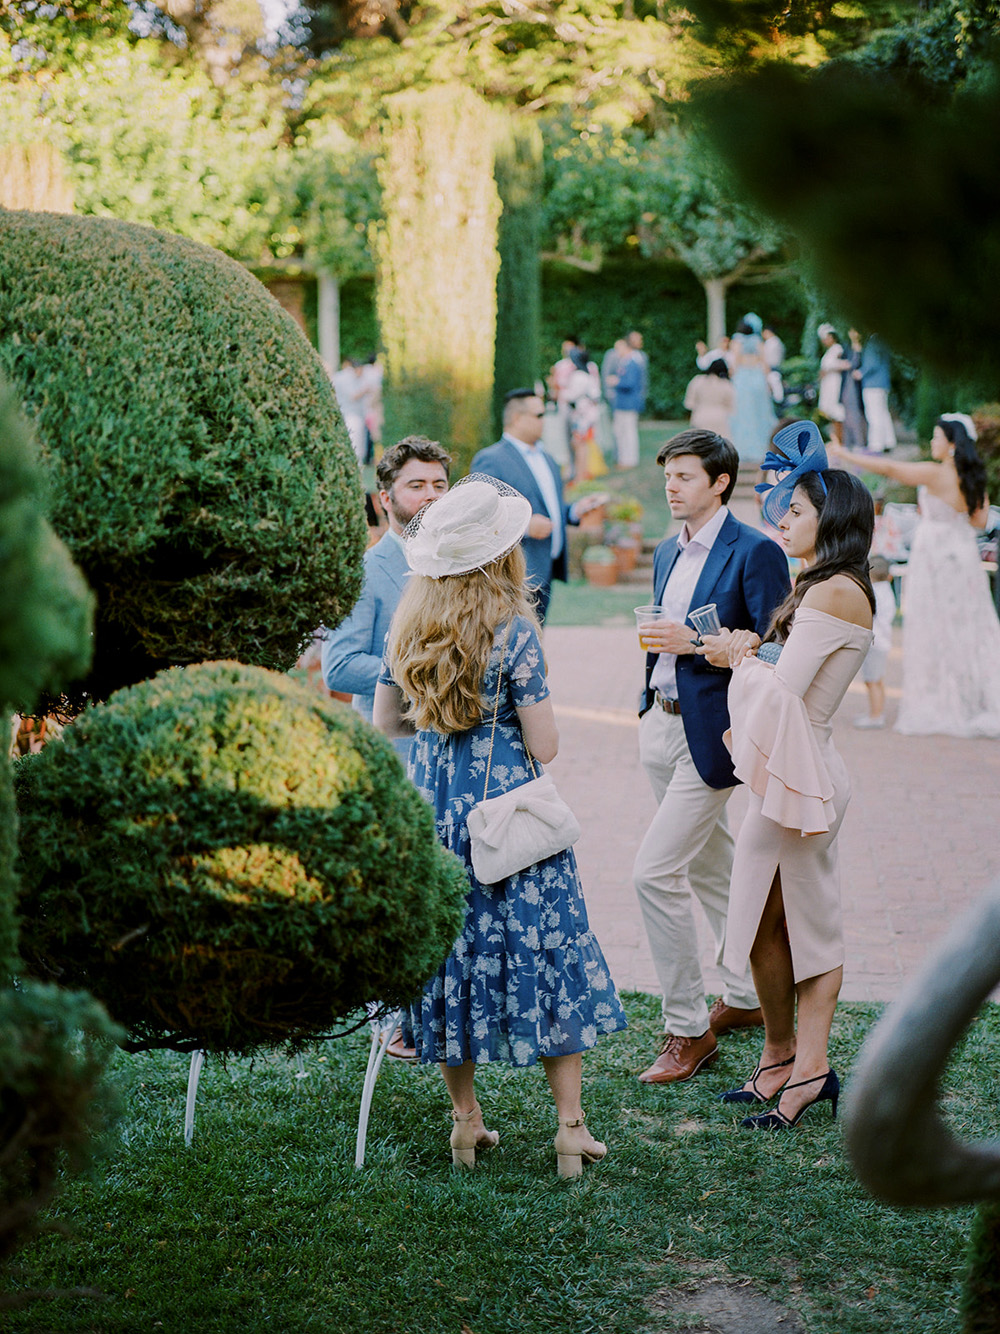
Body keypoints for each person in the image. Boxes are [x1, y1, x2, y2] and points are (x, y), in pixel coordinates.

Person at [373, 475, 627, 1176]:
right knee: (547, 957)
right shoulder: (514, 631)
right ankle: (570, 1129)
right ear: (500, 555)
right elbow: (544, 747)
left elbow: (384, 722)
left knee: (448, 965)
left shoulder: (408, 626)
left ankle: (465, 1124)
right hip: (509, 826)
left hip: (438, 820)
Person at [703, 420, 875, 1130]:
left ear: (829, 520)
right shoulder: (819, 584)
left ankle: (810, 1070)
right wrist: (751, 650)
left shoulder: (836, 591)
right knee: (761, 922)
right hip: (789, 773)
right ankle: (778, 1056)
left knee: (810, 923)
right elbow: (782, 676)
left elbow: (781, 693)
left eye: (797, 510)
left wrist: (736, 658)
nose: (784, 519)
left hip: (806, 777)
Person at [632, 429, 790, 1085]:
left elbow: (778, 648)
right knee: (709, 867)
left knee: (652, 873)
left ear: (721, 482)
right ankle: (747, 995)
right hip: (660, 726)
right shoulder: (668, 551)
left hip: (715, 736)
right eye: (669, 476)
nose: (673, 486)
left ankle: (688, 1029)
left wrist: (695, 643)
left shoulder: (755, 550)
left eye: (686, 476)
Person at [830, 414, 1000, 736]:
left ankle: (943, 700)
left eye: (937, 437)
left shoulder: (936, 474)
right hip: (962, 553)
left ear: (951, 444)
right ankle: (973, 700)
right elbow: (979, 522)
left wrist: (844, 454)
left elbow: (890, 469)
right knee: (969, 626)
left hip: (935, 553)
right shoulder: (972, 478)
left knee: (934, 625)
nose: (933, 442)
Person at [321, 435, 450, 752]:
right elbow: (340, 666)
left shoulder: (463, 565)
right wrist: (429, 673)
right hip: (396, 751)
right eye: (416, 486)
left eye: (439, 485)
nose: (430, 495)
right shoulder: (364, 572)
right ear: (385, 500)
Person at [471, 389, 605, 622]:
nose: (545, 420)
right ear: (517, 418)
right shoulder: (491, 459)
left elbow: (551, 509)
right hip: (513, 576)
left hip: (545, 570)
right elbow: (478, 514)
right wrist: (524, 527)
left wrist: (574, 511)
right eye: (539, 415)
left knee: (536, 643)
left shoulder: (547, 458)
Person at [854, 554, 895, 729]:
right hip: (883, 641)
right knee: (877, 680)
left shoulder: (874, 593)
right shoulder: (887, 591)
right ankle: (877, 712)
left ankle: (875, 715)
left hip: (875, 643)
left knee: (871, 680)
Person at [729, 314, 776, 463]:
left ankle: (743, 447)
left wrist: (731, 378)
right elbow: (765, 363)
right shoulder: (758, 341)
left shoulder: (736, 341)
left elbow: (735, 362)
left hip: (742, 378)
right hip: (757, 377)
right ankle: (761, 448)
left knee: (743, 412)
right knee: (760, 412)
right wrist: (768, 381)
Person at [565, 346, 606, 481]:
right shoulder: (589, 375)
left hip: (581, 416)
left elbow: (570, 395)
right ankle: (582, 473)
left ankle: (579, 476)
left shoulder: (578, 376)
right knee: (583, 444)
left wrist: (563, 394)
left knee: (579, 445)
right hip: (589, 416)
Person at [859, 334, 896, 453]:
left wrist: (860, 373)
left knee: (873, 415)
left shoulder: (872, 342)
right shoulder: (884, 341)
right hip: (883, 383)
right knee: (884, 413)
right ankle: (888, 441)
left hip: (872, 384)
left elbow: (871, 364)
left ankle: (875, 445)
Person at [611, 343, 645, 469]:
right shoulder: (625, 362)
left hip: (628, 404)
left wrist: (616, 381)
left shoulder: (632, 363)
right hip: (622, 404)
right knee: (621, 433)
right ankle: (624, 459)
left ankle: (630, 460)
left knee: (628, 433)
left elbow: (630, 383)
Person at [331, 357, 370, 463]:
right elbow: (352, 396)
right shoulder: (346, 378)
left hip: (353, 414)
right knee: (355, 442)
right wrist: (365, 390)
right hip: (351, 415)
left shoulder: (342, 377)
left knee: (357, 442)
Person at [683, 358, 734, 437]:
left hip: (700, 417)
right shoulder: (726, 384)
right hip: (720, 418)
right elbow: (731, 406)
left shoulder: (697, 380)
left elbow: (689, 403)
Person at [816, 324, 847, 444]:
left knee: (837, 413)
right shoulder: (829, 351)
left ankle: (840, 441)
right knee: (831, 413)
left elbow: (840, 364)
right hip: (828, 384)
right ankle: (836, 440)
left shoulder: (838, 349)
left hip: (834, 384)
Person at [840, 329, 867, 451]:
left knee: (857, 414)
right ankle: (848, 442)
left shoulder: (862, 349)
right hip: (847, 383)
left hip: (857, 385)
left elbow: (858, 365)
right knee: (847, 414)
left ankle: (859, 442)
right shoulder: (847, 347)